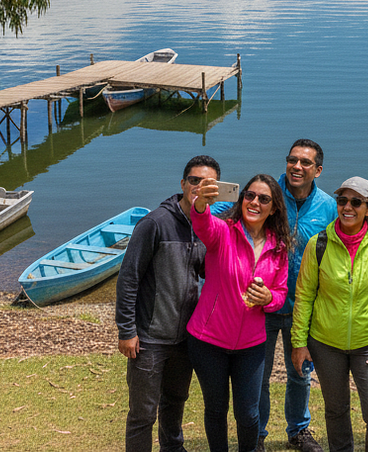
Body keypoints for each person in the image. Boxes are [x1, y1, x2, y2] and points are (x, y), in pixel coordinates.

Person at [116, 154, 220, 452]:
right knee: (143, 413)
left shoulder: (208, 226)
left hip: (186, 338)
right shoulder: (155, 223)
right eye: (194, 180)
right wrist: (126, 330)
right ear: (183, 183)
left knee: (175, 402)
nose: (199, 186)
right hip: (149, 337)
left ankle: (173, 448)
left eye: (207, 182)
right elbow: (129, 278)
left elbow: (205, 272)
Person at [291, 176, 368, 452]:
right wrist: (299, 343)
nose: (347, 207)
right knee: (336, 411)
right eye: (342, 200)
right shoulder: (318, 244)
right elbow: (304, 296)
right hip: (325, 343)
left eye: (356, 202)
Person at [187, 173, 290, 452]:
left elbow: (280, 294)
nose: (255, 202)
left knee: (249, 415)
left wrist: (269, 298)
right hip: (208, 341)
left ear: (275, 207)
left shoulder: (279, 248)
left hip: (252, 345)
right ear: (242, 198)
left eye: (264, 198)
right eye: (250, 195)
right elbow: (202, 223)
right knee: (216, 410)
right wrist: (200, 203)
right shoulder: (223, 231)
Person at [259, 139, 336, 452]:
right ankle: (256, 433)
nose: (297, 167)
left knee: (301, 374)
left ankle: (298, 431)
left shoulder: (330, 206)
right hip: (261, 305)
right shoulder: (264, 195)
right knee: (257, 376)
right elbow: (230, 215)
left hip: (304, 307)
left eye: (305, 163)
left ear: (318, 169)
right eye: (292, 160)